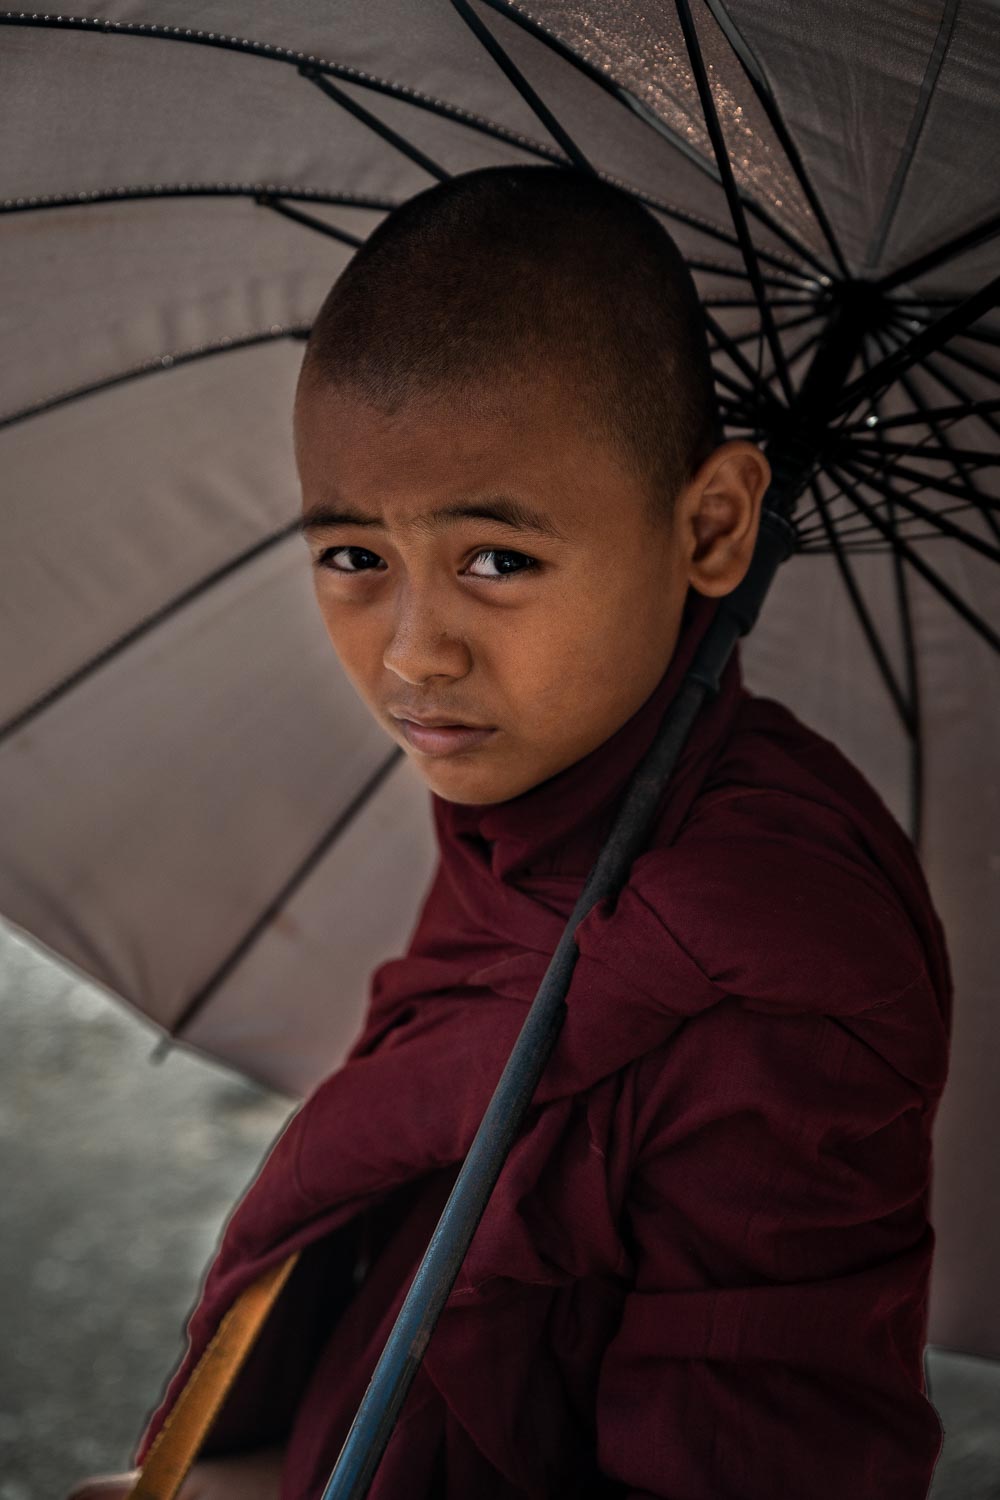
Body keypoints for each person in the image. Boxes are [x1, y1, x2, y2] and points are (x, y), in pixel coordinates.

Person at [67, 164, 952, 1500]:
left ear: (713, 524)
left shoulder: (780, 972)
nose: (415, 656)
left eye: (497, 560)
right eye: (355, 557)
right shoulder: (533, 797)